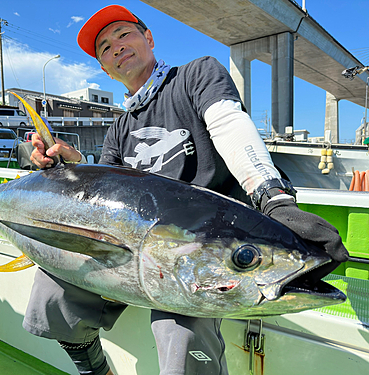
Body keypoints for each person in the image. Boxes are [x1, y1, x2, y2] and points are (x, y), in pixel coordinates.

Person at [26, 5, 349, 375]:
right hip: (134, 251)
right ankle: (95, 369)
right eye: (104, 47)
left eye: (123, 34)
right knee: (52, 289)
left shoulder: (196, 75)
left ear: (148, 38)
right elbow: (109, 190)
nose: (115, 47)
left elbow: (230, 123)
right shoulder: (119, 128)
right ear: (104, 68)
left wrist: (271, 196)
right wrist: (76, 165)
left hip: (202, 255)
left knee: (181, 330)